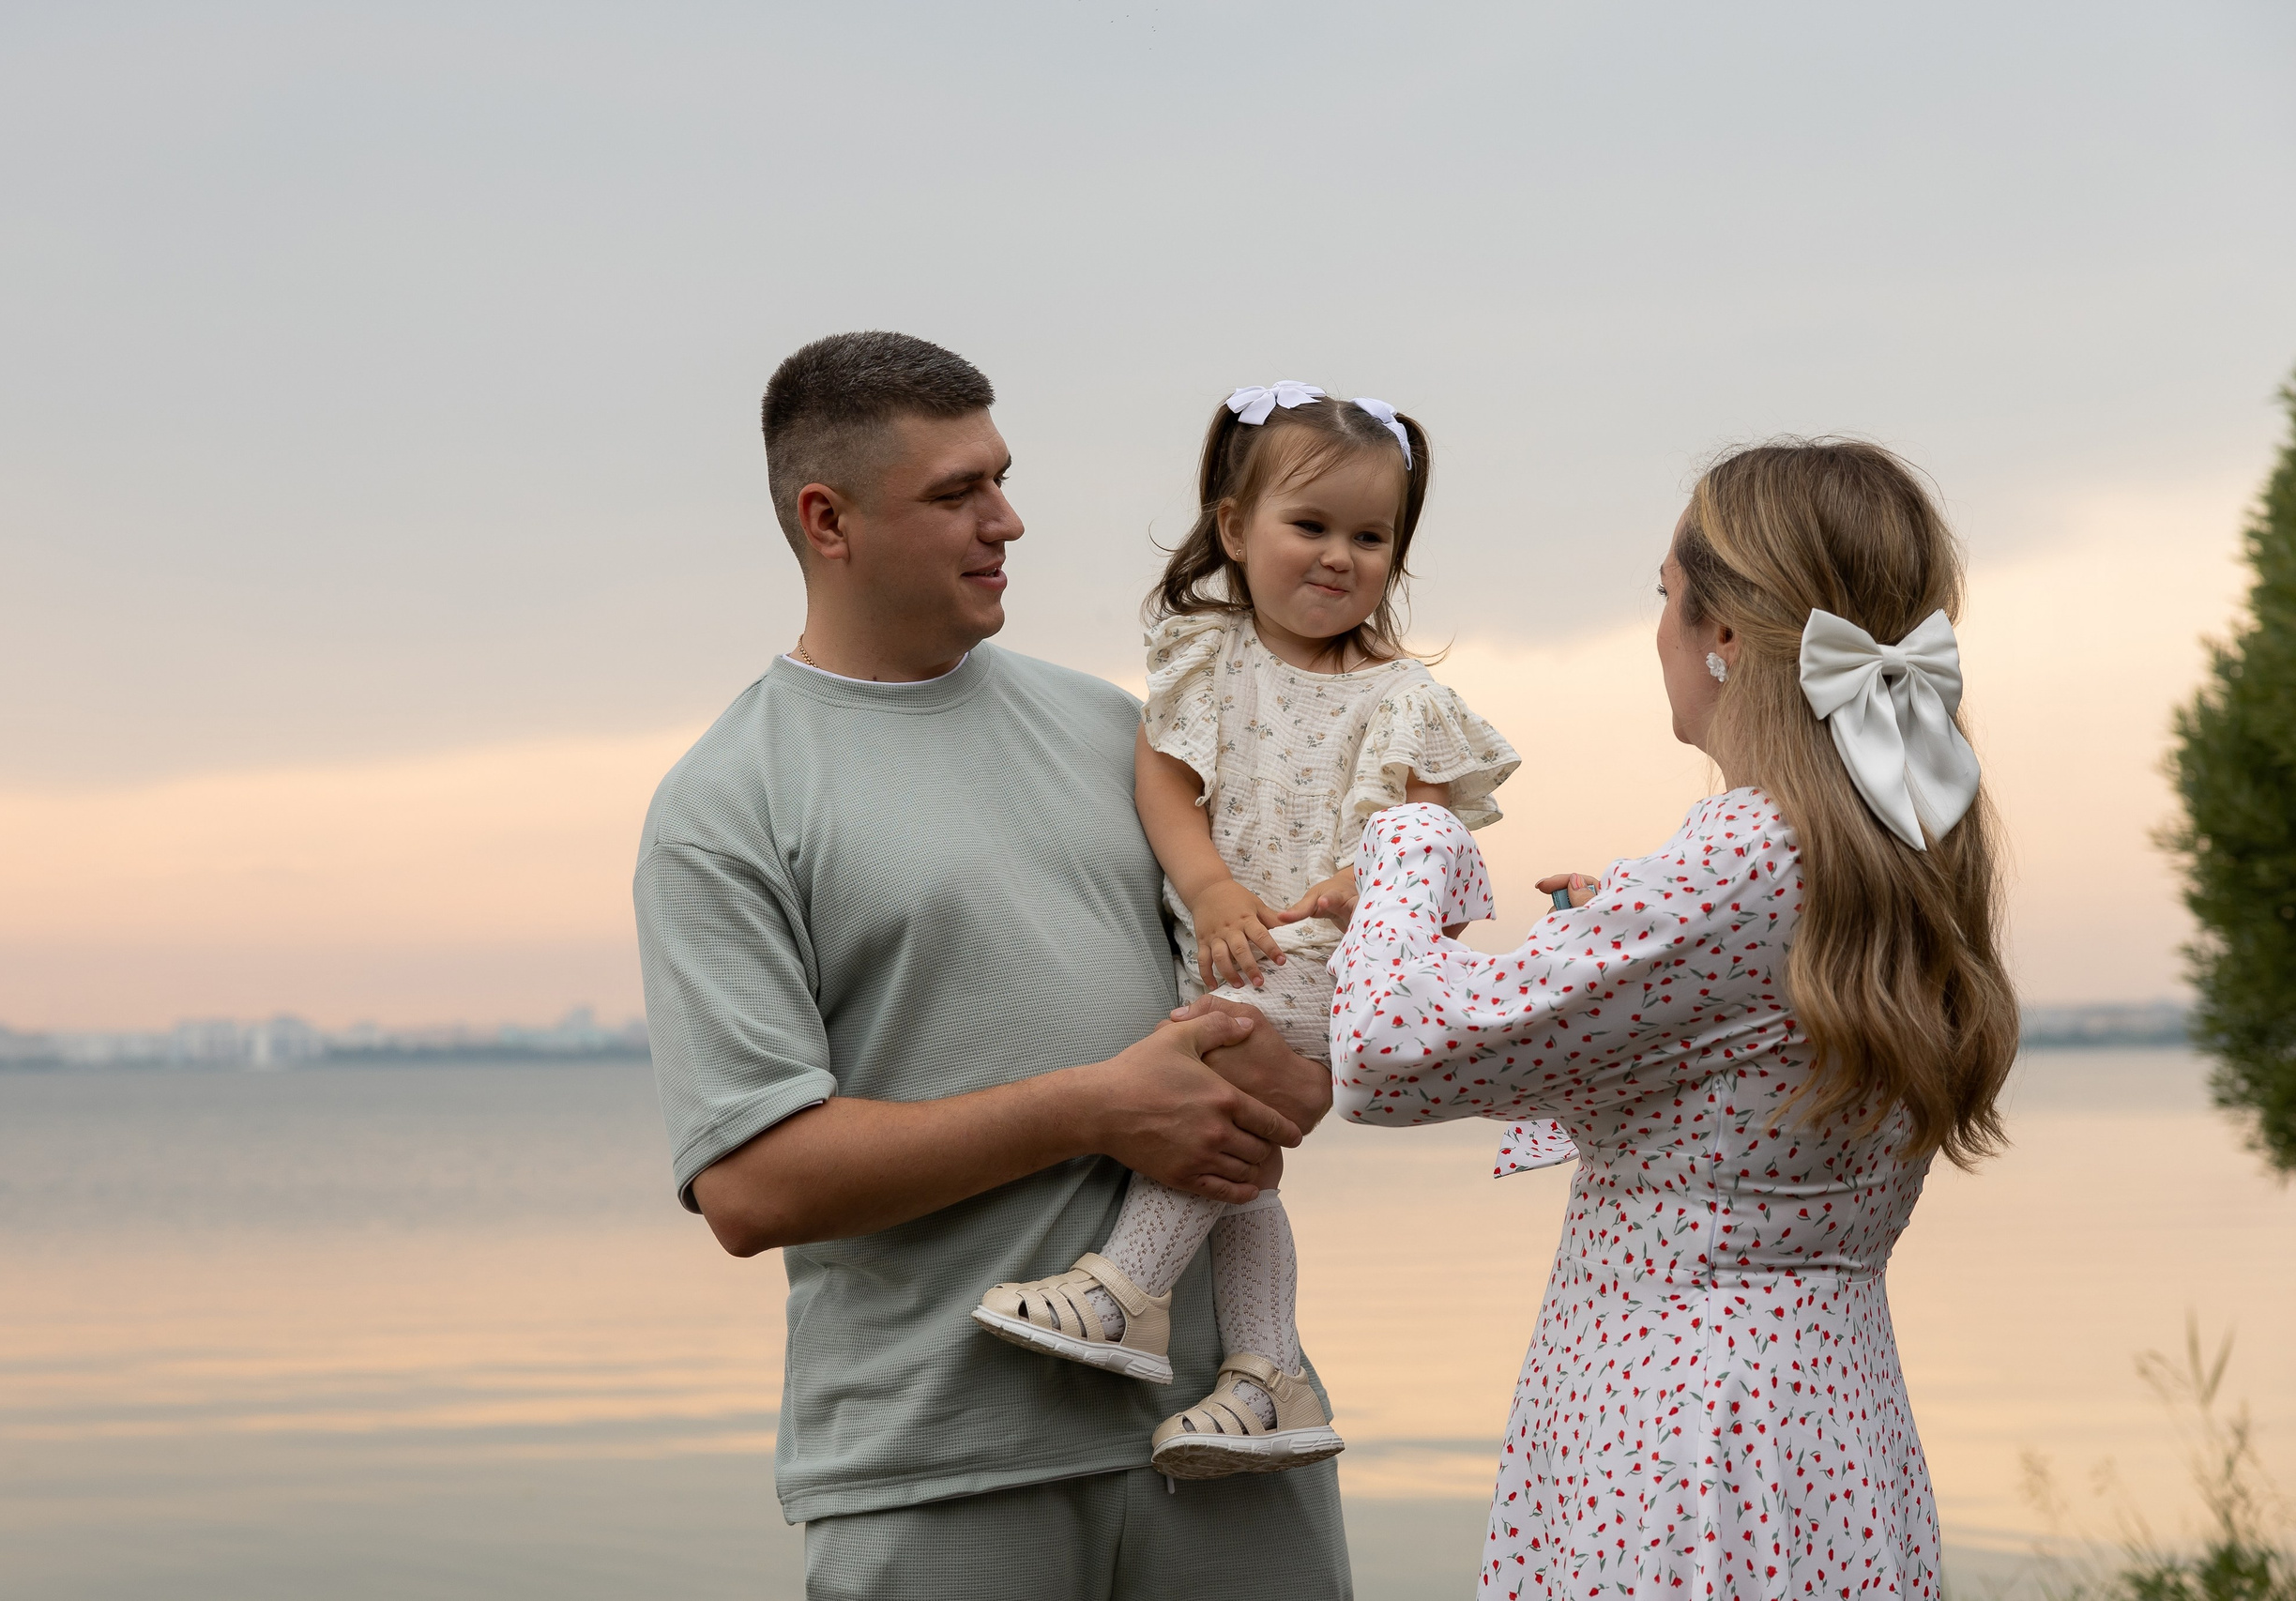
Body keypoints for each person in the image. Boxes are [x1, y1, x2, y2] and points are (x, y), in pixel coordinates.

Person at [632, 332, 1354, 1599]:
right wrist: (1094, 1108)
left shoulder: (1118, 734)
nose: (1007, 519)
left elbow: (1284, 1066)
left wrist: (1311, 1025)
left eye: (1002, 478)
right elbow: (750, 1184)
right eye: (957, 492)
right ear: (828, 519)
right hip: (939, 1470)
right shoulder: (727, 805)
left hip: (1229, 1447)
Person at [1325, 439, 2016, 1599]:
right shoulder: (1906, 836)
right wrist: (1617, 959)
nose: (1659, 628)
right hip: (1829, 1428)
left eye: (1664, 593)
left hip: (1676, 1437)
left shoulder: (1747, 849)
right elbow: (1748, 1072)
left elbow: (1386, 1051)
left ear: (1726, 633)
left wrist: (1415, 836)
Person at [972, 381, 1526, 1483]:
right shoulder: (1206, 657)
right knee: (1240, 1163)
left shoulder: (1402, 699)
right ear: (1235, 528)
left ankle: (1127, 1288)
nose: (1339, 557)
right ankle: (1267, 1374)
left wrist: (1348, 888)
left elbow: (1423, 848)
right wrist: (1210, 885)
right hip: (1229, 938)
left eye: (1370, 536)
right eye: (1309, 526)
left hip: (1322, 967)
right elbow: (1165, 786)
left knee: (1214, 1088)